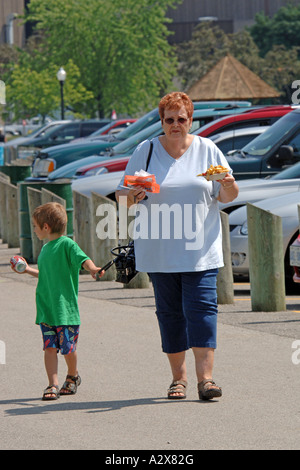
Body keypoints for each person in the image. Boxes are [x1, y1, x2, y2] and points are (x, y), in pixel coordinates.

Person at [115, 91, 239, 400]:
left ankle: (206, 380)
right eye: (169, 120)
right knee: (170, 315)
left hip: (201, 252)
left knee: (203, 312)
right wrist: (134, 196)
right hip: (159, 254)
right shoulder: (145, 151)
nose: (175, 125)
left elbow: (228, 197)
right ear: (161, 122)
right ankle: (178, 379)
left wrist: (226, 182)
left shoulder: (207, 149)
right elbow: (121, 200)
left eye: (181, 119)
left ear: (190, 120)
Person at [11, 202, 104, 400]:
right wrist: (27, 270)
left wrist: (93, 268)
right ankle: (52, 384)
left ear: (46, 227)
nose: (34, 230)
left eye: (35, 226)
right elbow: (46, 276)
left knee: (68, 348)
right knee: (50, 347)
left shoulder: (67, 244)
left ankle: (72, 376)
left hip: (65, 311)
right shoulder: (45, 249)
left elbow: (83, 259)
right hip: (46, 309)